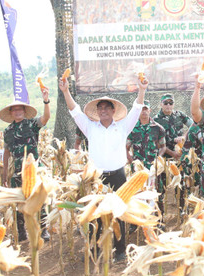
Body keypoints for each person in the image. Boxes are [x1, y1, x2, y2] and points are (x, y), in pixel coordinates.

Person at [59, 74, 148, 260]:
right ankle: (95, 248)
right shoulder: (90, 128)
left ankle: (121, 249)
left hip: (118, 176)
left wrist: (141, 90)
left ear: (113, 111)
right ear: (97, 112)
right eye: (100, 108)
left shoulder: (123, 126)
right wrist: (66, 90)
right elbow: (74, 111)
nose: (103, 111)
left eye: (107, 108)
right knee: (95, 213)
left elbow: (136, 108)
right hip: (96, 178)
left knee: (119, 213)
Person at [0, 86, 51, 242]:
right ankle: (21, 230)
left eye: (20, 109)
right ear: (11, 113)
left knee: (39, 197)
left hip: (33, 167)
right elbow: (7, 152)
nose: (17, 112)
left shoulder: (32, 124)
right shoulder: (7, 131)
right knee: (19, 200)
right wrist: (4, 173)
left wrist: (46, 100)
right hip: (17, 170)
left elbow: (46, 118)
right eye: (14, 110)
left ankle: (43, 229)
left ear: (24, 110)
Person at [126, 100, 166, 211]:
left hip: (153, 167)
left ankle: (158, 217)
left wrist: (159, 158)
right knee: (138, 192)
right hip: (138, 167)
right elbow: (126, 147)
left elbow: (163, 147)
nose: (144, 112)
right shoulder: (132, 128)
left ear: (150, 110)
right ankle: (138, 218)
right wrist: (130, 159)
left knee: (156, 191)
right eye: (141, 109)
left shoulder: (158, 128)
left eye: (146, 109)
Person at [153, 93, 193, 159]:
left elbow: (193, 125)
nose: (168, 105)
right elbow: (156, 141)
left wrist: (184, 136)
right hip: (165, 156)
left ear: (173, 104)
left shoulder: (179, 115)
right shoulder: (156, 120)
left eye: (171, 103)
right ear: (161, 104)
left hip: (181, 153)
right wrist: (172, 153)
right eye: (165, 103)